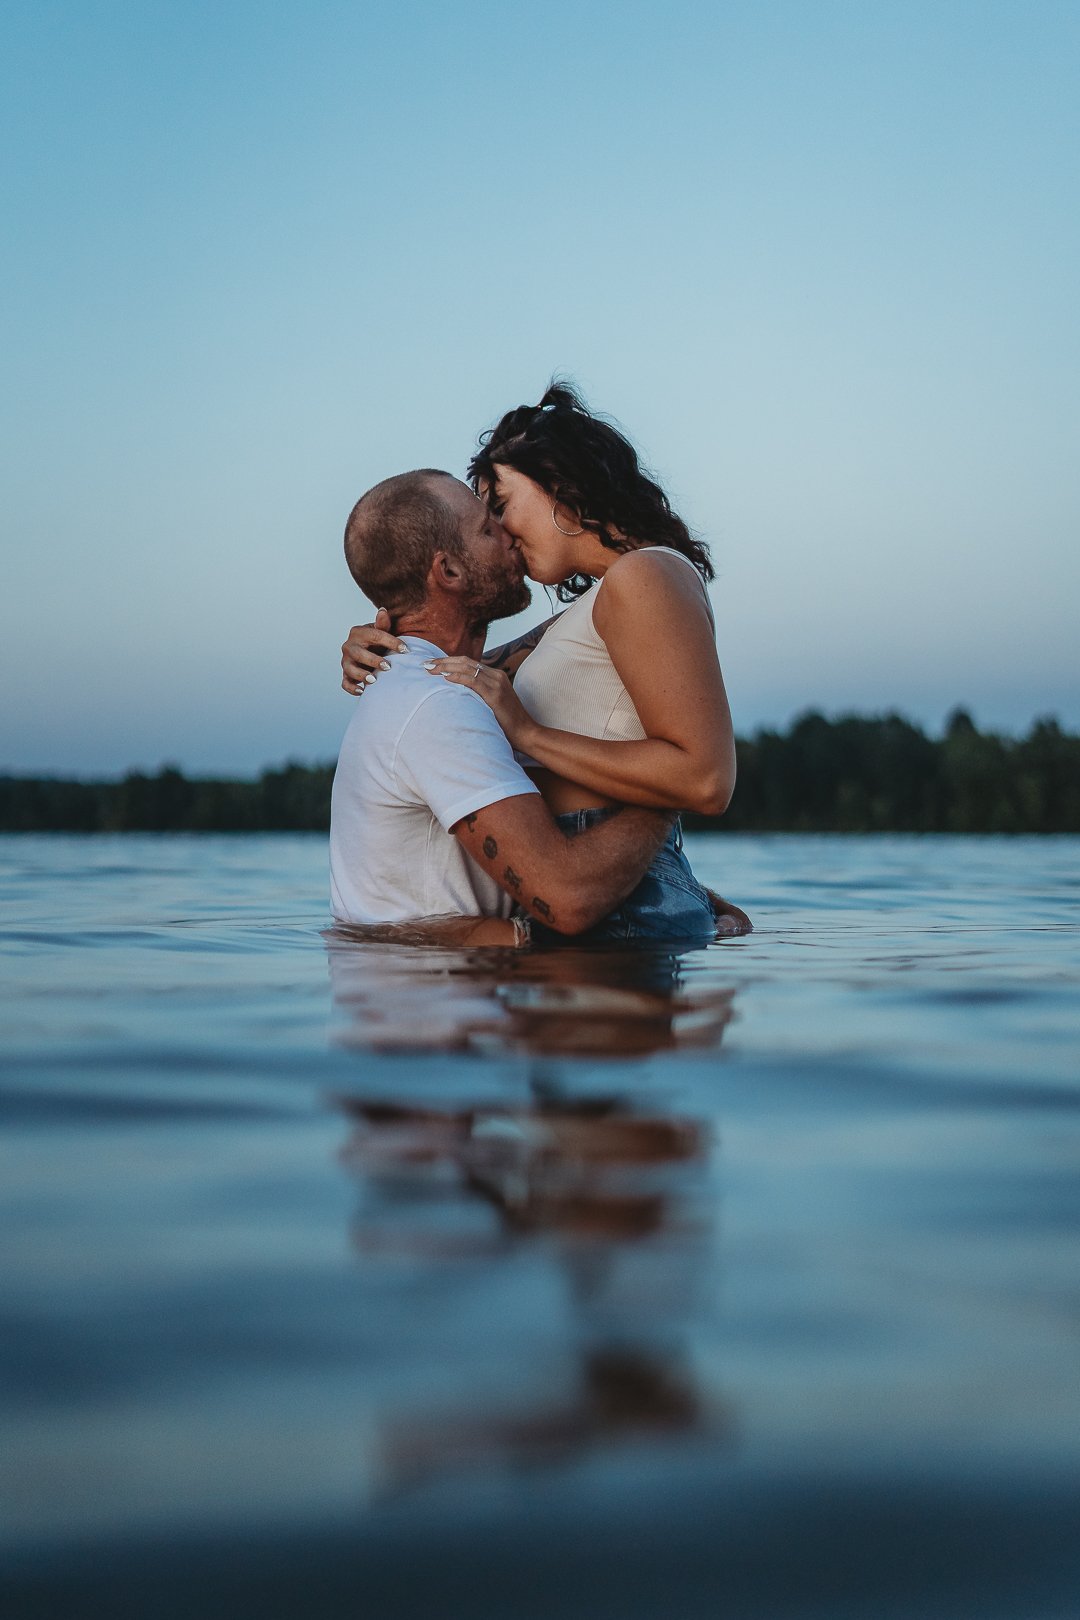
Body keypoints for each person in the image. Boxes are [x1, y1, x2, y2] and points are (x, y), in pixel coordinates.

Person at [342, 385, 749, 944]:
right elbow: (469, 668)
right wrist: (390, 647)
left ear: (560, 485)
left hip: (604, 879)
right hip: (591, 870)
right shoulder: (610, 598)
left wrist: (529, 734)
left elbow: (706, 779)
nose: (503, 533)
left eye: (501, 508)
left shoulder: (644, 577)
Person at [331, 468, 677, 948]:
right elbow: (566, 898)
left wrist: (679, 894)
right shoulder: (437, 702)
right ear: (448, 572)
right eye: (487, 529)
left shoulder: (434, 684)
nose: (510, 535)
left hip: (435, 1001)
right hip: (433, 1006)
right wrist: (662, 797)